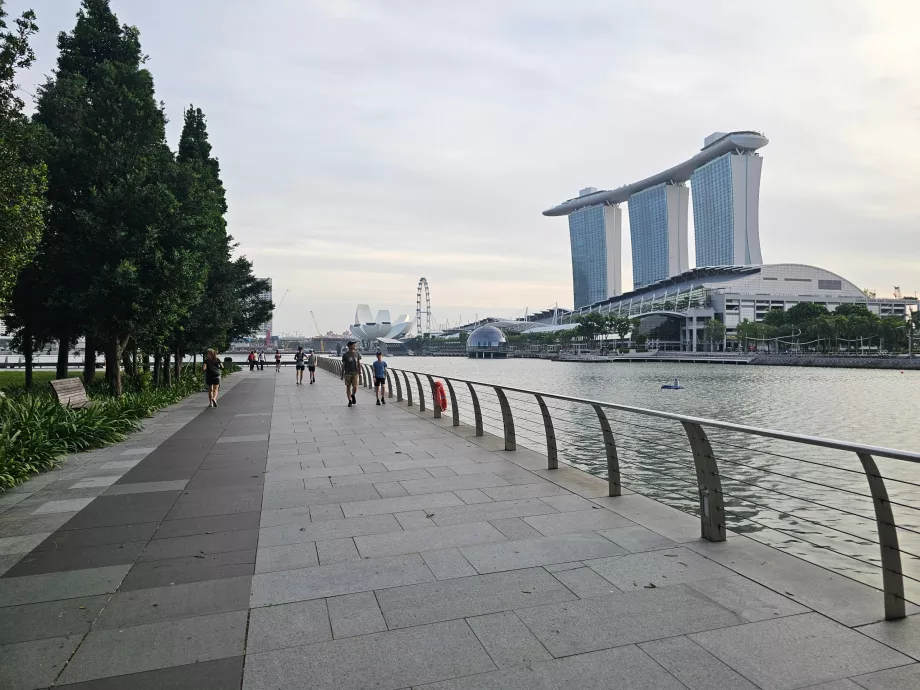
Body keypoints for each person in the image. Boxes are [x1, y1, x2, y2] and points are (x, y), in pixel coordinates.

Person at [341, 341, 361, 407]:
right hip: (347, 373)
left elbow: (359, 363)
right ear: (349, 346)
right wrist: (342, 374)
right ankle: (349, 400)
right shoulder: (345, 355)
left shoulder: (357, 354)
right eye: (353, 345)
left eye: (354, 345)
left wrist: (360, 371)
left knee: (355, 387)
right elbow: (343, 365)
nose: (354, 346)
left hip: (355, 373)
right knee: (348, 387)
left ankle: (353, 395)